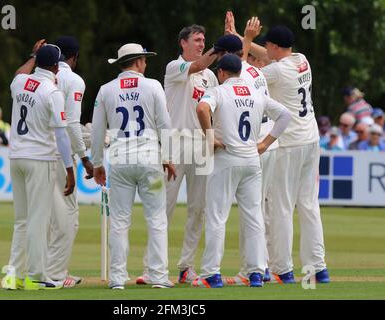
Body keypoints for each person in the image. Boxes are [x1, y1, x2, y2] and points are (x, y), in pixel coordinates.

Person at [226, 12, 330, 284]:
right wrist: (241, 37)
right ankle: (318, 267)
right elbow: (268, 53)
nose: (265, 51)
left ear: (274, 47)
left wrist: (245, 41)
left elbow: (242, 74)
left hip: (289, 144)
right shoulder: (301, 60)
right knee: (308, 205)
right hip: (311, 140)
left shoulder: (276, 70)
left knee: (281, 207)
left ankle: (283, 269)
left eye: (268, 46)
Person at [192, 54, 291, 288]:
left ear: (223, 73)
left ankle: (211, 274)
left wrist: (210, 136)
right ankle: (256, 273)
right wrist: (265, 143)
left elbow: (202, 108)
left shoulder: (219, 91)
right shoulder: (256, 93)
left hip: (227, 158)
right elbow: (285, 116)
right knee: (254, 216)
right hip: (251, 160)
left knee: (217, 216)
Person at [139, 24, 222, 285]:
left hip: (200, 144)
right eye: (197, 40)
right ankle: (151, 268)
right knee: (163, 207)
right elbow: (195, 66)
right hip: (173, 144)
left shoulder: (210, 76)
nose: (200, 44)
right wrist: (220, 47)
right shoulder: (174, 68)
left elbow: (215, 109)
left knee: (198, 209)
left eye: (204, 40)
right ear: (183, 43)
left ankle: (186, 267)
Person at [91, 43, 176, 290]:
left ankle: (117, 279)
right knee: (157, 219)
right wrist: (168, 156)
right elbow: (165, 123)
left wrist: (97, 162)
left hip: (119, 161)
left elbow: (97, 130)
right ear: (138, 61)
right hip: (150, 159)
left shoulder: (106, 90)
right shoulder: (153, 86)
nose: (146, 64)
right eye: (144, 60)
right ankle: (159, 277)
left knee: (119, 221)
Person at [2, 43, 75, 290]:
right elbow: (62, 136)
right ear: (56, 66)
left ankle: (12, 275)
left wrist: (32, 56)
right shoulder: (52, 91)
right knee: (37, 220)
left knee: (21, 220)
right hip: (40, 159)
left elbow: (18, 73)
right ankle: (36, 276)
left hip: (16, 157)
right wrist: (69, 168)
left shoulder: (20, 83)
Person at [46, 35, 94, 288]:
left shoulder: (37, 76)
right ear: (74, 57)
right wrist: (85, 158)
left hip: (37, 154)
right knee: (67, 216)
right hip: (59, 156)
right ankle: (55, 274)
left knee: (42, 216)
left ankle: (38, 269)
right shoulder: (73, 79)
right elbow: (71, 124)